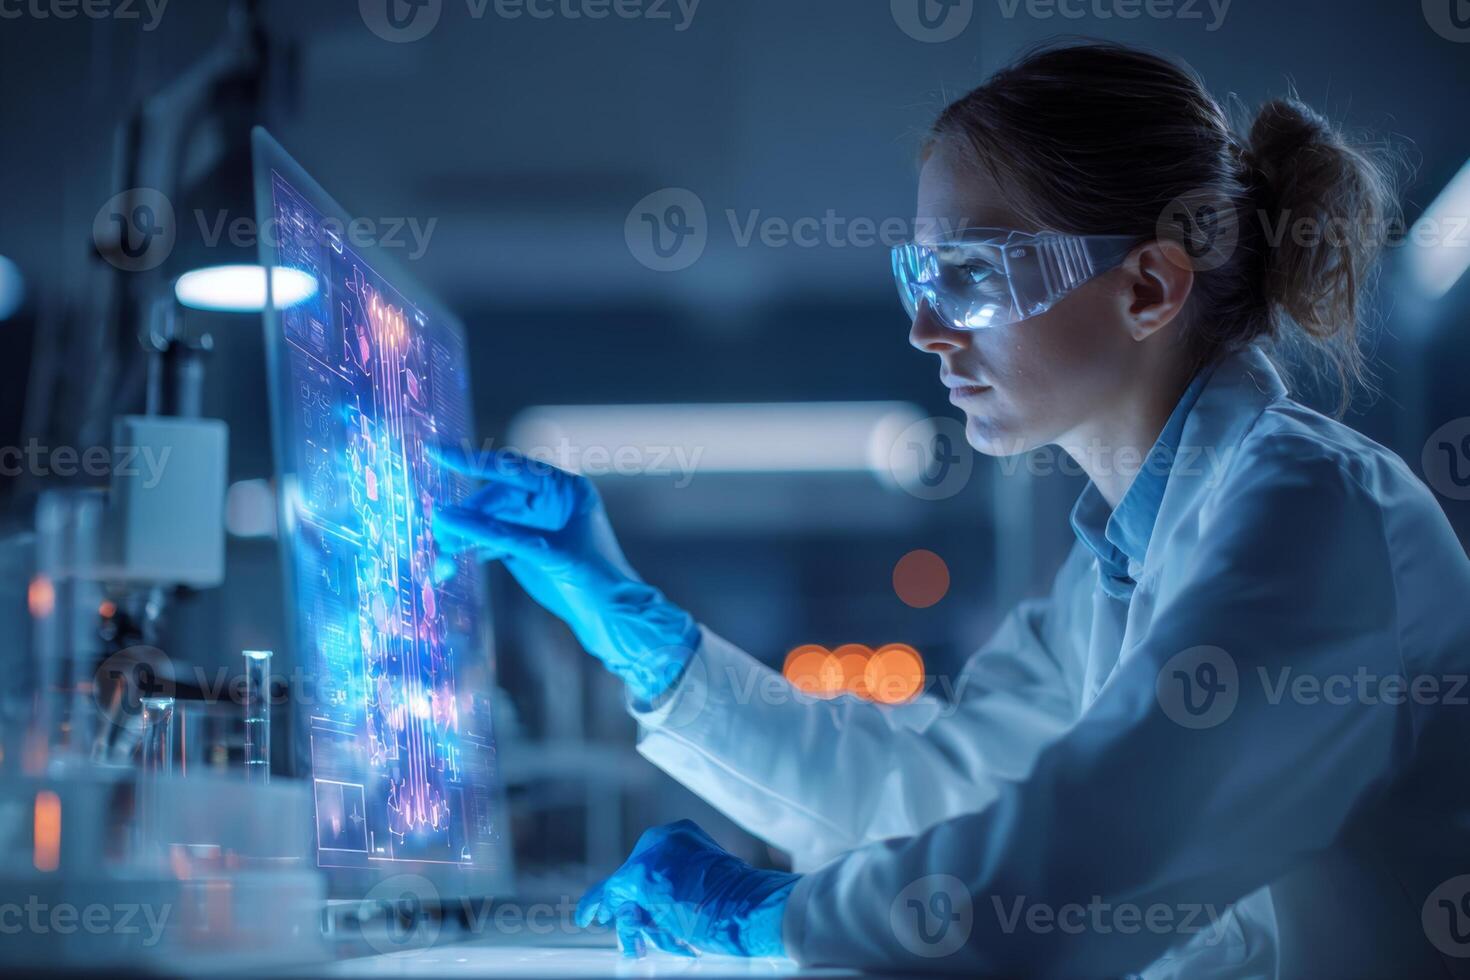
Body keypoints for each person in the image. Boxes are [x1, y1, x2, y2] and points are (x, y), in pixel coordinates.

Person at [435, 41, 1470, 979]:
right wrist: (642, 633)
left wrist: (769, 915)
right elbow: (928, 788)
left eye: (974, 273)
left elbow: (1076, 874)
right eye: (922, 276)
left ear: (1150, 289)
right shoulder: (1111, 572)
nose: (927, 327)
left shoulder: (1312, 511)